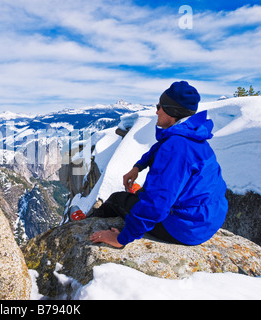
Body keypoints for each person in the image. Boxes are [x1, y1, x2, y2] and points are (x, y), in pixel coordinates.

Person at [89, 81, 228, 248]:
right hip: (206, 219)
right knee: (141, 195)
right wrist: (138, 166)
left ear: (171, 111)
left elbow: (157, 205)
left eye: (159, 106)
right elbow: (160, 146)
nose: (156, 111)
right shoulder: (192, 134)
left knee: (117, 199)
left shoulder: (175, 148)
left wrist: (121, 239)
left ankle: (88, 223)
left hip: (185, 228)